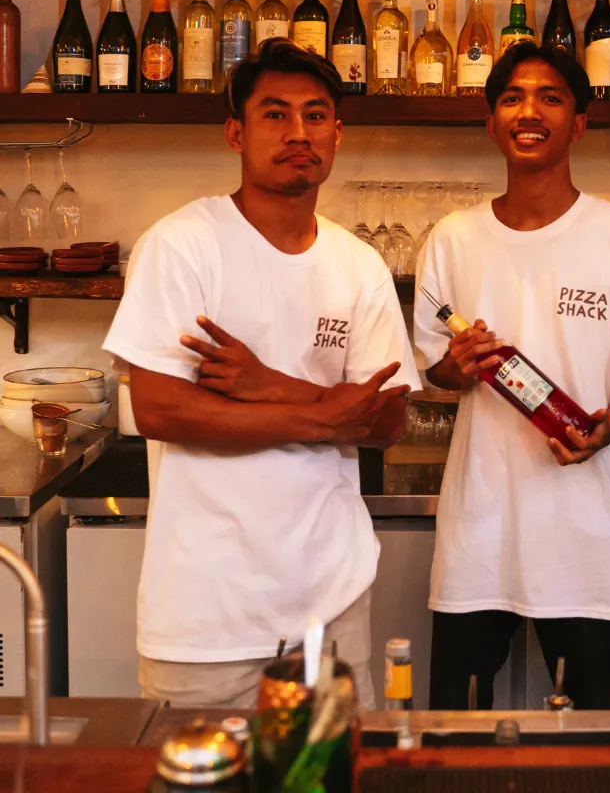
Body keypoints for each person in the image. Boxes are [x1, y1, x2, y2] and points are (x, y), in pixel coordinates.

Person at [103, 38, 420, 708]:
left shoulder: (359, 264)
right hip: (206, 612)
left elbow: (388, 420)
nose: (298, 132)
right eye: (275, 115)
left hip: (331, 603)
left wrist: (272, 385)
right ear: (235, 133)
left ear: (337, 132)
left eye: (315, 114)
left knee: (327, 782)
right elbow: (162, 411)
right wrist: (324, 415)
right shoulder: (184, 245)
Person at [413, 42, 610, 709]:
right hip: (479, 532)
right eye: (512, 98)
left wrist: (608, 426)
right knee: (455, 734)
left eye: (550, 97)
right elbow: (433, 370)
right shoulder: (451, 238)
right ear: (491, 120)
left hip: (592, 534)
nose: (529, 112)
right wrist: (460, 366)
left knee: (604, 742)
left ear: (579, 123)